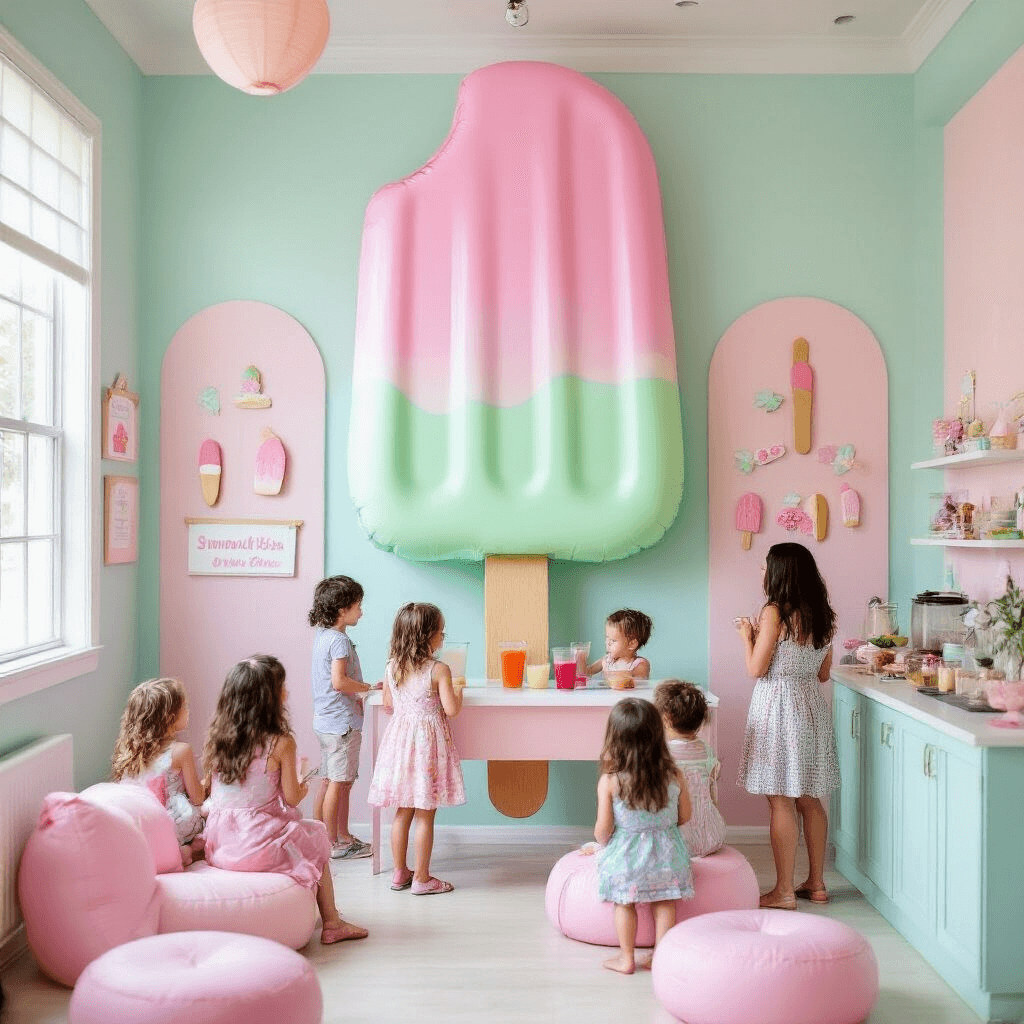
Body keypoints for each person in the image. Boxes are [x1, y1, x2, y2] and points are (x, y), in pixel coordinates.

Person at [203, 655, 368, 943]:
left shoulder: (218, 739)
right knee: (316, 835)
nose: (287, 693)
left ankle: (330, 920)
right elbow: (291, 800)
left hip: (222, 842)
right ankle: (332, 922)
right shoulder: (280, 743)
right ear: (269, 699)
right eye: (283, 687)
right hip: (257, 842)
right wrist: (303, 782)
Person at [735, 541, 839, 910]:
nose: (762, 573)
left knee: (780, 799)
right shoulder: (823, 615)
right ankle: (817, 883)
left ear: (780, 573)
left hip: (779, 708)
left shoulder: (773, 612)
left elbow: (755, 669)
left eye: (766, 567)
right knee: (809, 799)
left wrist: (746, 638)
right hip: (811, 706)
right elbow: (824, 674)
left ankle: (782, 891)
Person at [367, 603, 465, 895]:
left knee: (403, 811)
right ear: (427, 636)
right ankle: (422, 878)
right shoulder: (439, 670)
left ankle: (400, 873)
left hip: (399, 746)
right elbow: (451, 710)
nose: (443, 638)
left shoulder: (392, 666)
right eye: (441, 632)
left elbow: (388, 704)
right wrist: (458, 691)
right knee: (426, 813)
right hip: (426, 750)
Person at [592, 698, 693, 974]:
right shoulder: (674, 774)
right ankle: (661, 956)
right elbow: (685, 817)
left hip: (627, 859)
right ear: (658, 735)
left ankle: (626, 958)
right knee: (664, 902)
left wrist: (601, 844)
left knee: (624, 903)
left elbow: (603, 832)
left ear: (615, 739)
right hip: (668, 857)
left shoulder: (611, 780)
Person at [307, 575, 378, 859]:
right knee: (339, 782)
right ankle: (333, 843)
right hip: (341, 724)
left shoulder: (323, 637)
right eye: (358, 605)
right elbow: (339, 681)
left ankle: (335, 837)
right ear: (342, 609)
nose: (361, 611)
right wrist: (367, 688)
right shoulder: (339, 641)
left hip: (326, 721)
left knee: (333, 780)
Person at [111, 677, 205, 866]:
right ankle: (187, 851)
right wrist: (207, 782)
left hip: (138, 820)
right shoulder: (181, 751)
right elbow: (197, 798)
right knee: (209, 812)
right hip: (171, 822)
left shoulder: (128, 752)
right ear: (170, 717)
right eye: (184, 706)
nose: (188, 710)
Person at [654, 680, 726, 858]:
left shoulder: (661, 754)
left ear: (666, 718)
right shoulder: (707, 752)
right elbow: (712, 795)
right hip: (710, 836)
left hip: (676, 842)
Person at [587, 609, 653, 679]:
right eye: (607, 638)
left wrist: (607, 673)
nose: (608, 643)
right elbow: (587, 671)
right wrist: (580, 657)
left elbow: (626, 677)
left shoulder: (640, 665)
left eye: (613, 640)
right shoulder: (607, 660)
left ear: (632, 644)